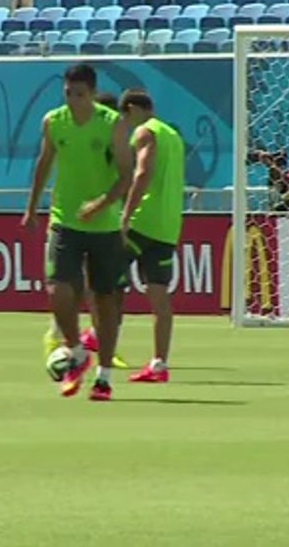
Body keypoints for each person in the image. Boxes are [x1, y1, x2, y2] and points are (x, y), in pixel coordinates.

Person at [22, 64, 132, 401]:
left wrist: (101, 204)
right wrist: (31, 208)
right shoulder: (54, 122)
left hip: (104, 225)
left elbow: (126, 175)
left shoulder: (111, 124)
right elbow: (44, 162)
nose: (73, 100)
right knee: (58, 291)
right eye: (68, 93)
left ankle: (104, 376)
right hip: (65, 220)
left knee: (105, 299)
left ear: (93, 93)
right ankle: (77, 352)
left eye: (79, 94)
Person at [46, 91, 129, 370]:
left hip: (106, 224)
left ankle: (92, 347)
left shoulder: (115, 134)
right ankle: (69, 340)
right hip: (76, 221)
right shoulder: (66, 126)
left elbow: (124, 178)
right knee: (74, 286)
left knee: (102, 292)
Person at [117, 88, 186, 384]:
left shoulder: (144, 132)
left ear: (132, 108)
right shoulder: (173, 135)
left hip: (142, 222)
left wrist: (125, 215)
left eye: (126, 116)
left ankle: (96, 339)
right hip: (168, 225)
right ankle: (159, 364)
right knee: (159, 296)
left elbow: (143, 174)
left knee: (102, 275)